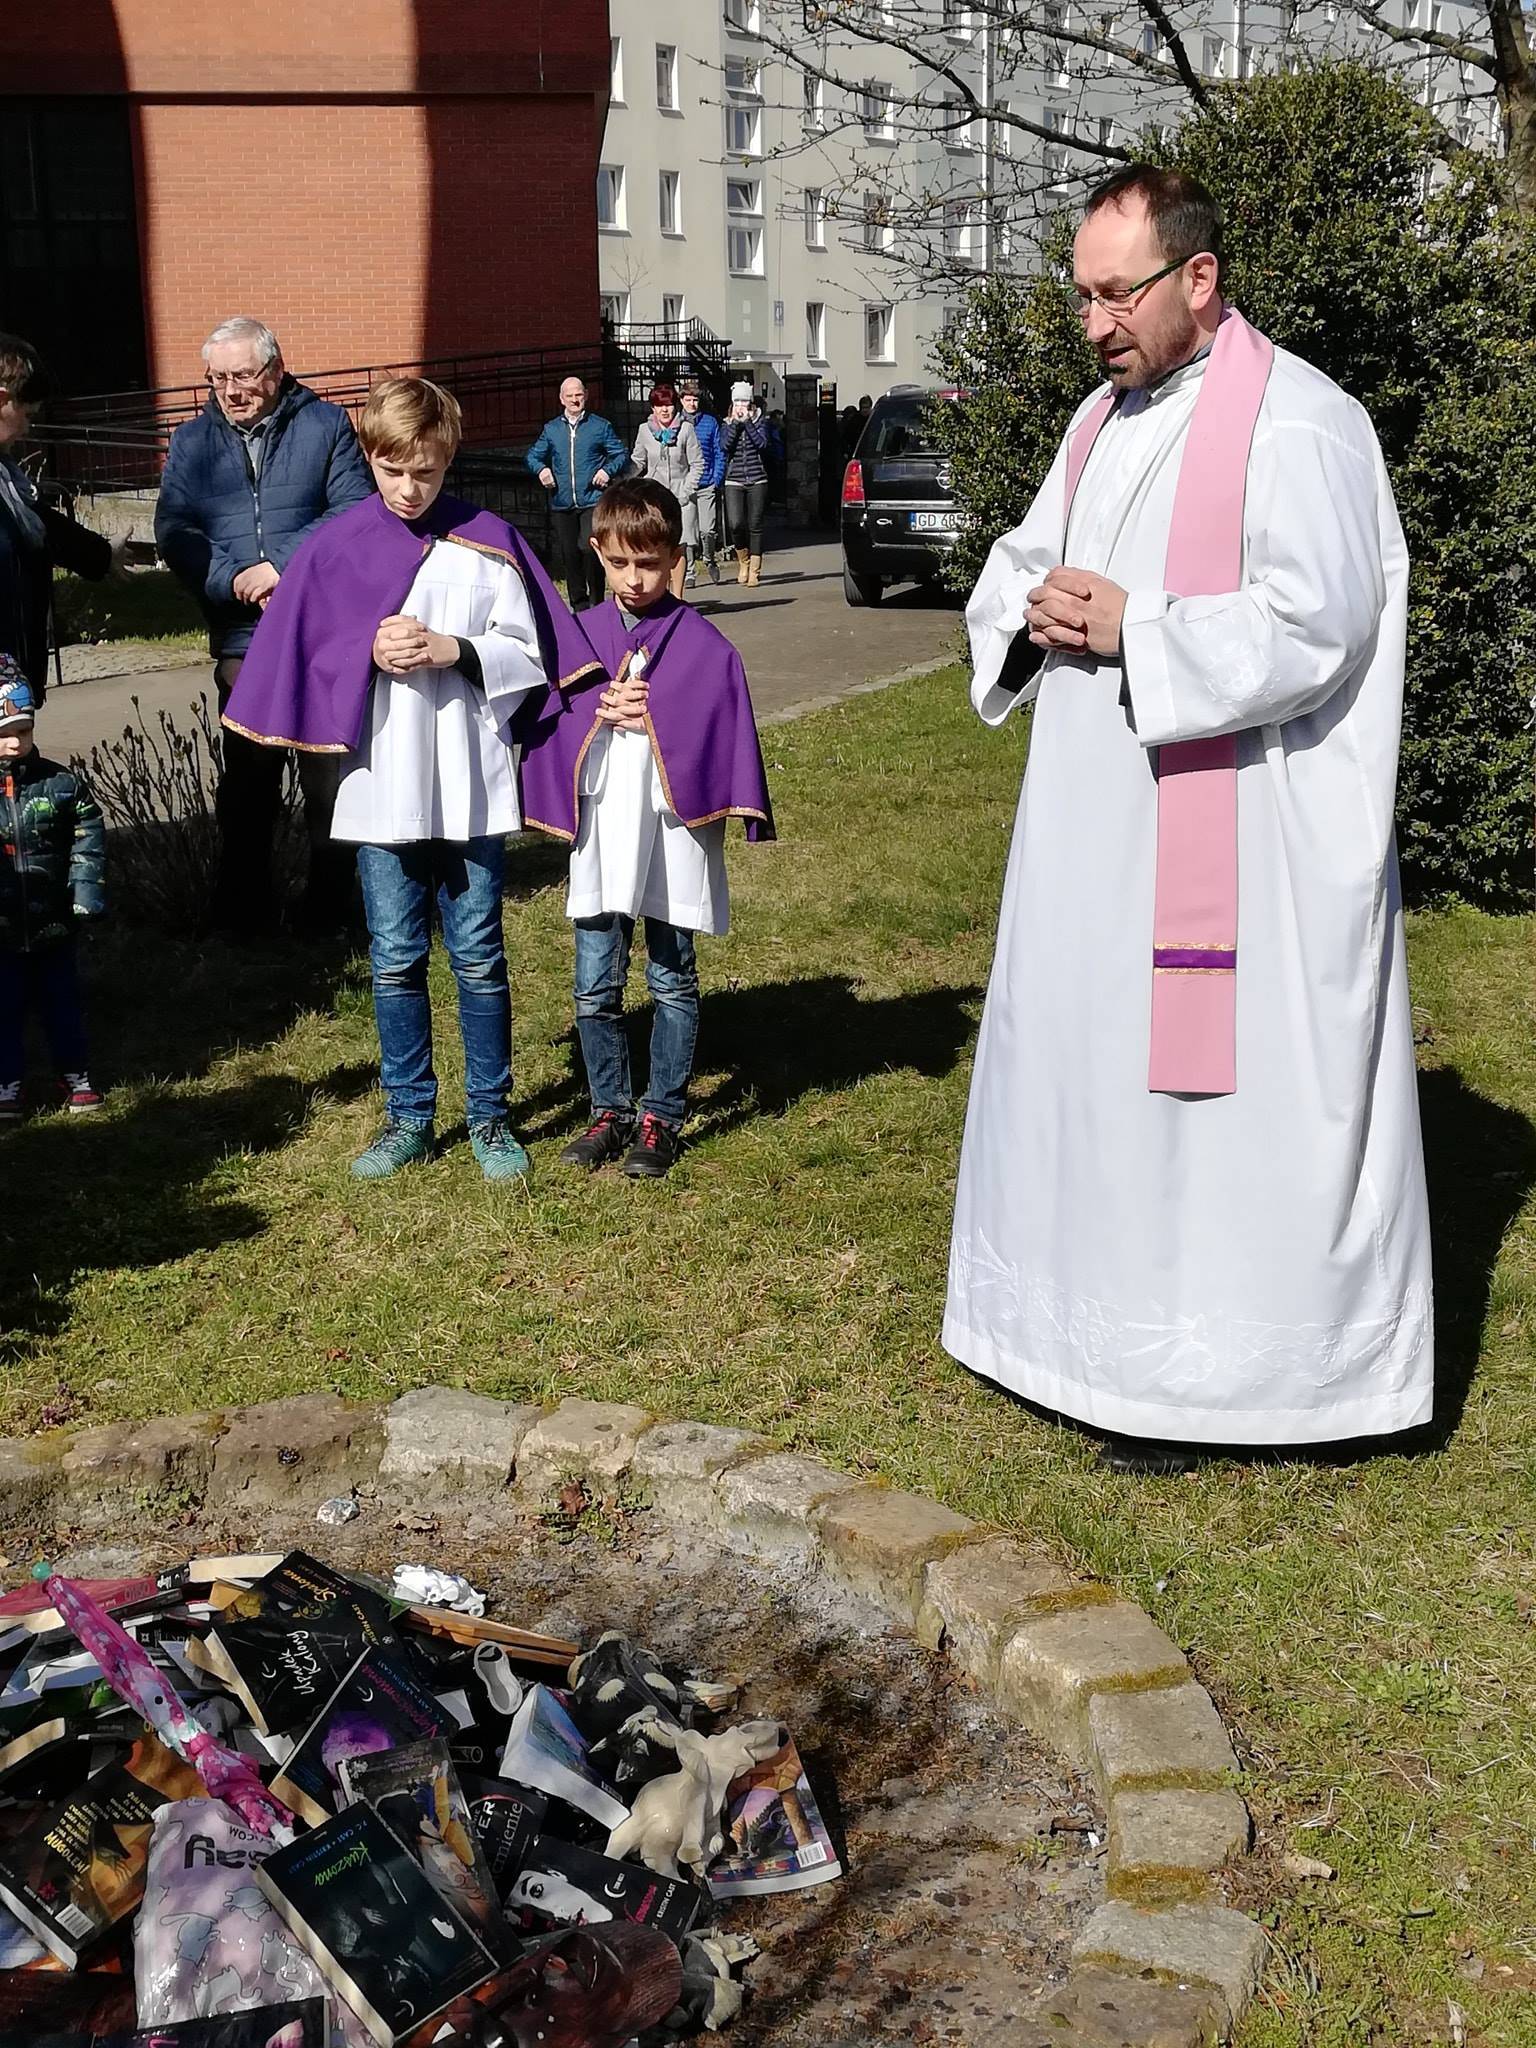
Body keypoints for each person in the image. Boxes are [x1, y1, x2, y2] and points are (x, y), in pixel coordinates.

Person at [945, 165, 1432, 1472]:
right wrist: (1033, 606)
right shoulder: (1099, 424)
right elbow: (1027, 556)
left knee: (1216, 1122)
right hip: (1098, 833)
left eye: (1118, 293)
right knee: (1104, 1094)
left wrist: (1135, 631)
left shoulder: (1300, 424)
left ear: (1199, 279)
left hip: (1241, 848)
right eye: (1083, 296)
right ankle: (1100, 1347)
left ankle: (1230, 1387)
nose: (1096, 322)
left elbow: (1318, 626)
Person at [222, 377, 600, 1183]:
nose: (408, 488)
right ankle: (409, 1115)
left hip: (467, 777)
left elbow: (533, 652)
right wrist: (366, 649)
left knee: (478, 954)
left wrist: (453, 651)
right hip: (381, 780)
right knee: (393, 957)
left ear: (448, 459)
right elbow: (305, 649)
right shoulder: (336, 543)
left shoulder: (488, 538)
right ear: (370, 456)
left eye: (424, 472)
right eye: (393, 470)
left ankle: (491, 1117)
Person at [515, 479, 774, 1180]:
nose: (636, 578)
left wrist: (657, 715)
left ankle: (661, 1112)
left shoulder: (703, 645)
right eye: (622, 562)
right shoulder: (580, 638)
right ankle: (609, 1108)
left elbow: (719, 720)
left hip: (671, 832)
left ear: (675, 558)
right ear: (597, 550)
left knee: (671, 977)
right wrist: (598, 709)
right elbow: (547, 716)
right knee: (595, 984)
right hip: (603, 827)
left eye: (651, 564)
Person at [155, 316, 373, 935]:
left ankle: (330, 915)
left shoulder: (326, 426)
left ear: (276, 370)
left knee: (326, 781)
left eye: (244, 375)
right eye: (219, 378)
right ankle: (243, 917)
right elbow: (175, 529)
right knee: (248, 784)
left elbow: (354, 508)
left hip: (322, 628)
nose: (231, 390)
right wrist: (230, 579)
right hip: (244, 638)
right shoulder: (192, 442)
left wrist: (282, 568)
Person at [0, 654, 107, 1123]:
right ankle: (7, 1080)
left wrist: (85, 893)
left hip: (53, 922)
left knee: (62, 1003)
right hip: (1, 930)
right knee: (3, 1009)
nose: (15, 742)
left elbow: (88, 836)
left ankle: (75, 1072)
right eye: (4, 733)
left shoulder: (60, 785)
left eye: (23, 731)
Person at [0, 334, 116, 694]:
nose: (28, 427)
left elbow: (40, 524)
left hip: (12, 684)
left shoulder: (7, 478)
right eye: (27, 413)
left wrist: (100, 555)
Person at [526, 375, 628, 611]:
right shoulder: (552, 429)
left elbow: (620, 454)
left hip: (592, 499)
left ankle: (597, 600)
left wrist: (606, 471)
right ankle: (579, 607)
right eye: (570, 396)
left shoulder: (600, 426)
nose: (575, 400)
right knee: (570, 554)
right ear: (562, 399)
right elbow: (532, 456)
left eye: (579, 395)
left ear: (586, 396)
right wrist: (542, 470)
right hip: (562, 502)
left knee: (588, 547)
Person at [628, 387, 702, 600]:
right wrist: (623, 477)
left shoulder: (686, 429)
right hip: (654, 499)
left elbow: (697, 464)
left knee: (678, 547)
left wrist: (686, 491)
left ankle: (677, 598)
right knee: (657, 547)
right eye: (660, 406)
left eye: (668, 405)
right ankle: (660, 596)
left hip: (681, 498)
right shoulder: (644, 430)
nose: (665, 410)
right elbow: (638, 461)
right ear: (653, 408)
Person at [719, 383, 770, 587]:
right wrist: (735, 425)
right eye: (737, 401)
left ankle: (755, 570)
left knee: (755, 524)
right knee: (736, 524)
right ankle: (743, 561)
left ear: (750, 403)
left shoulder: (760, 421)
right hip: (734, 479)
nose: (740, 405)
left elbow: (762, 444)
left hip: (757, 478)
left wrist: (748, 423)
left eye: (744, 401)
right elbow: (724, 446)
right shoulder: (726, 423)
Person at [677, 380, 723, 586]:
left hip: (706, 483)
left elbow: (718, 451)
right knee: (687, 533)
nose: (692, 404)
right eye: (688, 400)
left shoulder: (710, 423)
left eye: (695, 400)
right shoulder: (676, 424)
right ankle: (689, 572)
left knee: (708, 529)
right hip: (685, 486)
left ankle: (709, 558)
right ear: (681, 401)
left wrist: (717, 478)